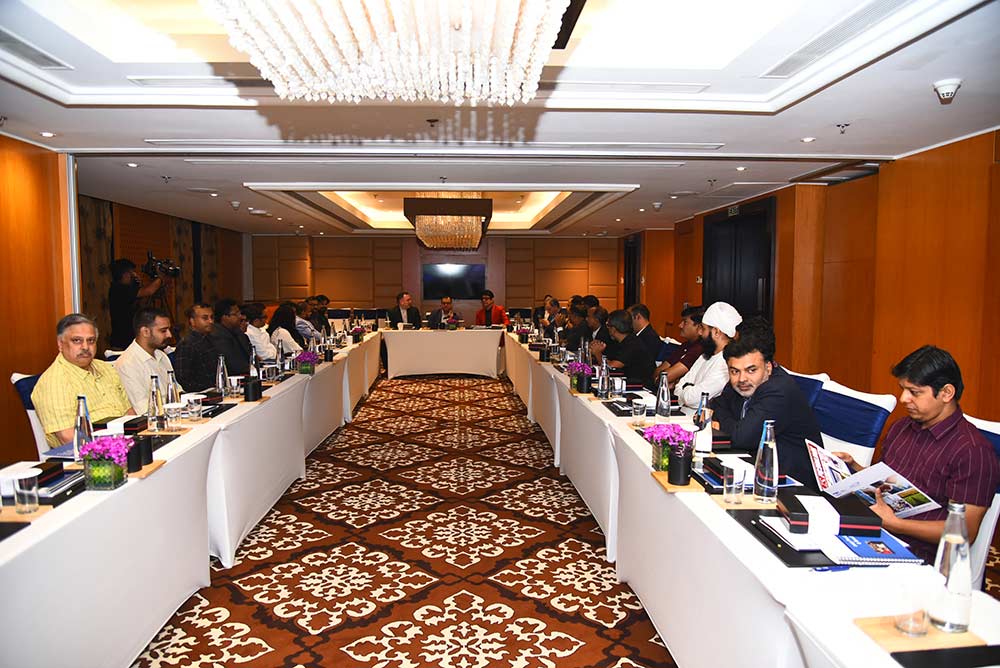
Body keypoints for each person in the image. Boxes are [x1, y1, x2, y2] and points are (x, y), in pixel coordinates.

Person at [836, 346, 1000, 562]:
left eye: (914, 392)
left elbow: (964, 532)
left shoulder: (973, 452)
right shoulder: (902, 427)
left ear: (946, 393)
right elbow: (889, 484)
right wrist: (854, 468)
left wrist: (896, 524)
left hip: (920, 555)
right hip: (877, 530)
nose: (903, 399)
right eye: (903, 389)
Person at [710, 326, 822, 488]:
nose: (742, 378)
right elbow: (716, 404)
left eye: (751, 370)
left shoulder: (779, 390)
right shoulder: (745, 381)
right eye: (734, 371)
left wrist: (722, 424)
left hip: (790, 483)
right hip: (755, 468)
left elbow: (742, 438)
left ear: (768, 367)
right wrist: (731, 424)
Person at [32, 313, 134, 448]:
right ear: (60, 344)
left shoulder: (105, 368)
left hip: (128, 444)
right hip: (93, 455)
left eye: (91, 341)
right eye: (77, 341)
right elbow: (69, 438)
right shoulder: (54, 382)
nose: (85, 347)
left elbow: (130, 414)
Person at [113, 307, 183, 413]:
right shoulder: (127, 364)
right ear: (145, 332)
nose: (169, 335)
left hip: (175, 414)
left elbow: (177, 392)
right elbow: (144, 410)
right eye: (163, 331)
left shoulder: (161, 355)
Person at [674, 301, 741, 411]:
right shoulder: (705, 355)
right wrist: (687, 391)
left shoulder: (726, 363)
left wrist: (686, 388)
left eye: (703, 329)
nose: (700, 333)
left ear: (716, 332)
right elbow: (678, 390)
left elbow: (693, 399)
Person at [589, 309, 655, 388]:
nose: (607, 329)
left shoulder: (632, 344)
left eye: (608, 325)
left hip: (640, 387)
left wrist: (597, 353)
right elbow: (611, 361)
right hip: (626, 382)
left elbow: (612, 367)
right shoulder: (620, 341)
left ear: (613, 329)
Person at [107, 258, 164, 351]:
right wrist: (161, 278)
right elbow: (149, 291)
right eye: (132, 272)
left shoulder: (124, 288)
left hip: (129, 338)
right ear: (125, 274)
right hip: (123, 341)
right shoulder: (119, 289)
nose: (134, 274)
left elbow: (142, 304)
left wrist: (138, 284)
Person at [653, 305, 705, 385]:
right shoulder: (685, 345)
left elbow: (665, 378)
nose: (680, 325)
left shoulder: (699, 348)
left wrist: (671, 381)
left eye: (685, 322)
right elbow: (657, 372)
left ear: (699, 327)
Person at [174, 303, 219, 391]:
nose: (211, 321)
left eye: (212, 317)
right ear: (192, 321)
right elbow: (182, 379)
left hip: (215, 389)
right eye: (205, 318)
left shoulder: (210, 339)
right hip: (200, 393)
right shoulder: (187, 344)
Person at [209, 298, 252, 375]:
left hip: (247, 373)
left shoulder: (237, 331)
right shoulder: (217, 335)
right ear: (224, 317)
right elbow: (234, 365)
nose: (241, 317)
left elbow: (250, 355)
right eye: (236, 314)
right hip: (233, 377)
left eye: (240, 313)